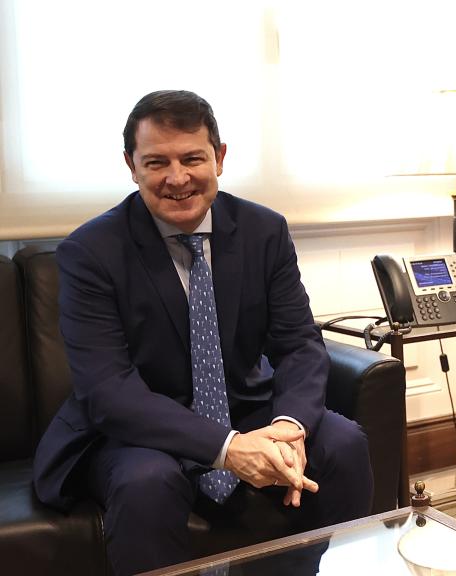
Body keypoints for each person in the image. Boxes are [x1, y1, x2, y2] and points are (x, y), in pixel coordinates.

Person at [32, 90, 373, 575]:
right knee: (146, 482)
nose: (177, 178)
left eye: (192, 158)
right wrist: (229, 447)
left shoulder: (264, 231)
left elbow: (298, 343)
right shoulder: (91, 252)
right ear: (131, 166)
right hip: (139, 427)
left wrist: (287, 426)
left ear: (220, 157)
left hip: (245, 405)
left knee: (343, 444)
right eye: (156, 162)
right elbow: (107, 390)